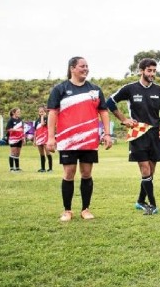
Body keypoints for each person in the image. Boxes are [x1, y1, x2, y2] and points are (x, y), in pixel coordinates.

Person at [47, 56, 113, 222]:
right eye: (82, 66)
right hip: (67, 140)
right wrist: (50, 137)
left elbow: (104, 112)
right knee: (69, 173)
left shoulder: (95, 90)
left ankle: (85, 209)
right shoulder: (60, 89)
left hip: (89, 140)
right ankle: (67, 210)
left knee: (86, 173)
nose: (85, 69)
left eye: (87, 66)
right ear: (72, 68)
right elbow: (52, 113)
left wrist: (106, 133)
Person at [107, 58, 160, 216]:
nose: (152, 74)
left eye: (154, 71)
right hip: (138, 133)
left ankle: (141, 201)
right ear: (141, 71)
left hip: (155, 134)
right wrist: (124, 120)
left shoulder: (158, 90)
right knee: (145, 168)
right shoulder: (130, 89)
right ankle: (152, 205)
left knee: (151, 171)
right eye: (149, 70)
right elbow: (110, 102)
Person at [34, 106, 53, 172]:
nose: (41, 113)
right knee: (41, 154)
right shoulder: (36, 121)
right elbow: (35, 131)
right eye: (40, 112)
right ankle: (43, 168)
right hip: (39, 138)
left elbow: (42, 124)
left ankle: (50, 168)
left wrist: (42, 117)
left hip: (45, 138)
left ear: (45, 112)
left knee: (48, 153)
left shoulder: (47, 118)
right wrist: (34, 140)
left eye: (42, 111)